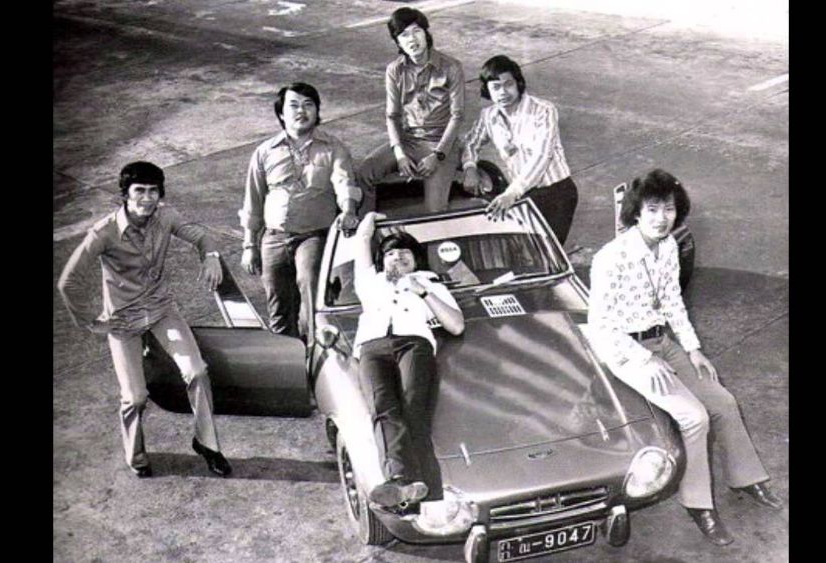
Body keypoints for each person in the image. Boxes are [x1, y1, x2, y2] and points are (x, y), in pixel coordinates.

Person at [585, 169, 782, 546]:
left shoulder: (669, 247)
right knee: (694, 416)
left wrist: (693, 349)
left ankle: (746, 478)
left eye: (669, 209)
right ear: (636, 212)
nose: (662, 218)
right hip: (625, 350)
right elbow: (600, 324)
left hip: (661, 341)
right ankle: (699, 505)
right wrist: (644, 359)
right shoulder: (610, 258)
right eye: (653, 209)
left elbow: (673, 304)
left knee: (723, 402)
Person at [57, 161, 232, 478]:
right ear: (125, 194)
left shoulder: (166, 217)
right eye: (139, 191)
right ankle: (136, 456)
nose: (147, 198)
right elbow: (68, 282)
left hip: (162, 310)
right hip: (124, 322)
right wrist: (92, 322)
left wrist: (210, 257)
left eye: (153, 191)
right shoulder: (104, 232)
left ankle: (207, 443)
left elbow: (201, 236)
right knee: (135, 398)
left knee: (197, 371)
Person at [352, 212, 465, 509]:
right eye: (391, 253)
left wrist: (422, 291)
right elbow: (362, 239)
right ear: (382, 261)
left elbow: (456, 325)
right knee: (383, 409)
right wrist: (369, 218)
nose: (398, 256)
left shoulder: (431, 283)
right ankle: (399, 481)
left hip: (413, 345)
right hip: (372, 347)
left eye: (405, 252)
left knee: (414, 411)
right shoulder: (370, 282)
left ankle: (431, 498)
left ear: (416, 260)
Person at [239, 82, 362, 340]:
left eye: (308, 105)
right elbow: (253, 200)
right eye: (293, 105)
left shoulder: (334, 148)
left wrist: (349, 210)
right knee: (278, 308)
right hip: (273, 239)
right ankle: (288, 359)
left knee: (311, 293)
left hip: (313, 236)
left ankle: (317, 352)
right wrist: (249, 245)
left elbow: (345, 184)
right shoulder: (264, 152)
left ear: (317, 111)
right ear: (281, 114)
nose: (301, 111)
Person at [356, 7, 465, 214]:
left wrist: (437, 155)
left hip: (442, 144)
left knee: (435, 211)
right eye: (404, 35)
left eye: (416, 31)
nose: (412, 39)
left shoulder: (451, 67)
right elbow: (392, 116)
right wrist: (399, 154)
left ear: (426, 33)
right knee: (364, 172)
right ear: (397, 42)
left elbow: (457, 116)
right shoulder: (394, 70)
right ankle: (367, 225)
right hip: (409, 140)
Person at [461, 55, 579, 245]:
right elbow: (470, 143)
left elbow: (542, 156)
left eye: (508, 84)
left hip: (556, 193)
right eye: (495, 87)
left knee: (546, 250)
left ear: (519, 83)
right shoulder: (488, 116)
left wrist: (511, 193)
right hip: (522, 194)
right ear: (487, 90)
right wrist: (469, 167)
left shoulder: (543, 110)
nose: (503, 92)